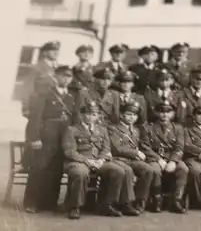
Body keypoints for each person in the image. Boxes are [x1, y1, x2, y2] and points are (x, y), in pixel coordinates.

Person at [62, 101, 136, 219]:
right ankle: (75, 207)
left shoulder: (102, 130)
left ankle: (107, 204)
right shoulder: (72, 129)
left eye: (94, 114)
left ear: (98, 116)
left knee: (118, 171)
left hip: (99, 161)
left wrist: (101, 160)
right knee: (80, 173)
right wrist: (87, 161)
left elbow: (106, 147)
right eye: (88, 114)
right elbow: (70, 151)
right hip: (79, 161)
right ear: (81, 115)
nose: (91, 117)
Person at [24, 65, 77, 213]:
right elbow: (35, 118)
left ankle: (50, 202)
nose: (66, 79)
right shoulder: (45, 94)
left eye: (69, 77)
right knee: (39, 169)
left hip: (63, 137)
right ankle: (32, 202)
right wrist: (34, 138)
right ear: (55, 77)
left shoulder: (70, 97)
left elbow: (73, 120)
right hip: (46, 136)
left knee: (56, 170)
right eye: (62, 76)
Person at [140, 102, 188, 213]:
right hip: (154, 157)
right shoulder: (148, 127)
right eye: (162, 112)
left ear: (173, 113)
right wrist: (158, 159)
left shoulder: (178, 128)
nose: (165, 115)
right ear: (156, 113)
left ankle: (177, 200)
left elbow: (179, 147)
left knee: (183, 169)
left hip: (171, 157)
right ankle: (157, 200)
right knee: (155, 170)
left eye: (168, 112)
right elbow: (145, 147)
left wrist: (173, 161)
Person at [107, 101, 154, 214]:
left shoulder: (136, 130)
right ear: (122, 115)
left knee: (148, 169)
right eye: (128, 114)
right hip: (117, 159)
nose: (131, 117)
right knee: (127, 171)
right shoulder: (113, 128)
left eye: (134, 115)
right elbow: (116, 148)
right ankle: (126, 203)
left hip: (131, 160)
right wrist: (136, 153)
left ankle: (139, 200)